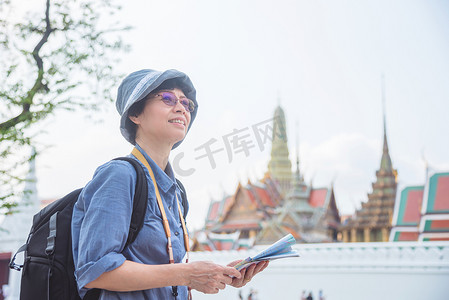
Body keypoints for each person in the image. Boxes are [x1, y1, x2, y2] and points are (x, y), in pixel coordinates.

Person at [71, 69, 269, 299]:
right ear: (135, 113)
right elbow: (95, 271)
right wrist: (186, 274)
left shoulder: (177, 194)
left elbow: (161, 275)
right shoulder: (119, 176)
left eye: (186, 103)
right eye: (167, 99)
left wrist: (216, 274)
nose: (181, 108)